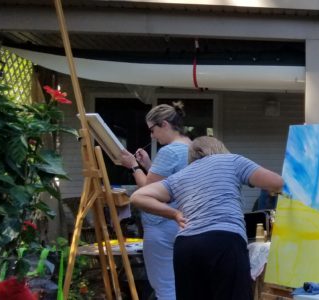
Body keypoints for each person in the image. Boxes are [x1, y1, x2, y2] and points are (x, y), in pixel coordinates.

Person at [129, 136, 284, 300]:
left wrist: (174, 214)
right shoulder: (232, 161)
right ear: (220, 149)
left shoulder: (180, 176)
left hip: (186, 246)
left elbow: (138, 197)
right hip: (224, 240)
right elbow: (276, 182)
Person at [118, 103, 190, 300]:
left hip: (162, 224)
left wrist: (133, 167)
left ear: (164, 124)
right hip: (184, 224)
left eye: (152, 130)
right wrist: (149, 165)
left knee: (165, 286)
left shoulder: (170, 152)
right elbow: (168, 183)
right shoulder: (191, 147)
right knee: (183, 284)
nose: (152, 136)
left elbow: (149, 191)